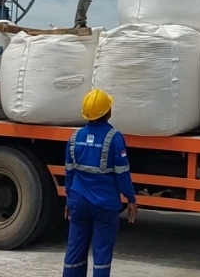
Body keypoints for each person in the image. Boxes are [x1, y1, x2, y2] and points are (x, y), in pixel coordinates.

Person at [62, 89, 138, 277]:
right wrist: (130, 198)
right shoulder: (114, 138)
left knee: (74, 252)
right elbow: (122, 173)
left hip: (78, 201)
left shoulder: (74, 138)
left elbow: (69, 172)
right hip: (105, 203)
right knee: (102, 256)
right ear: (108, 112)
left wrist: (69, 199)